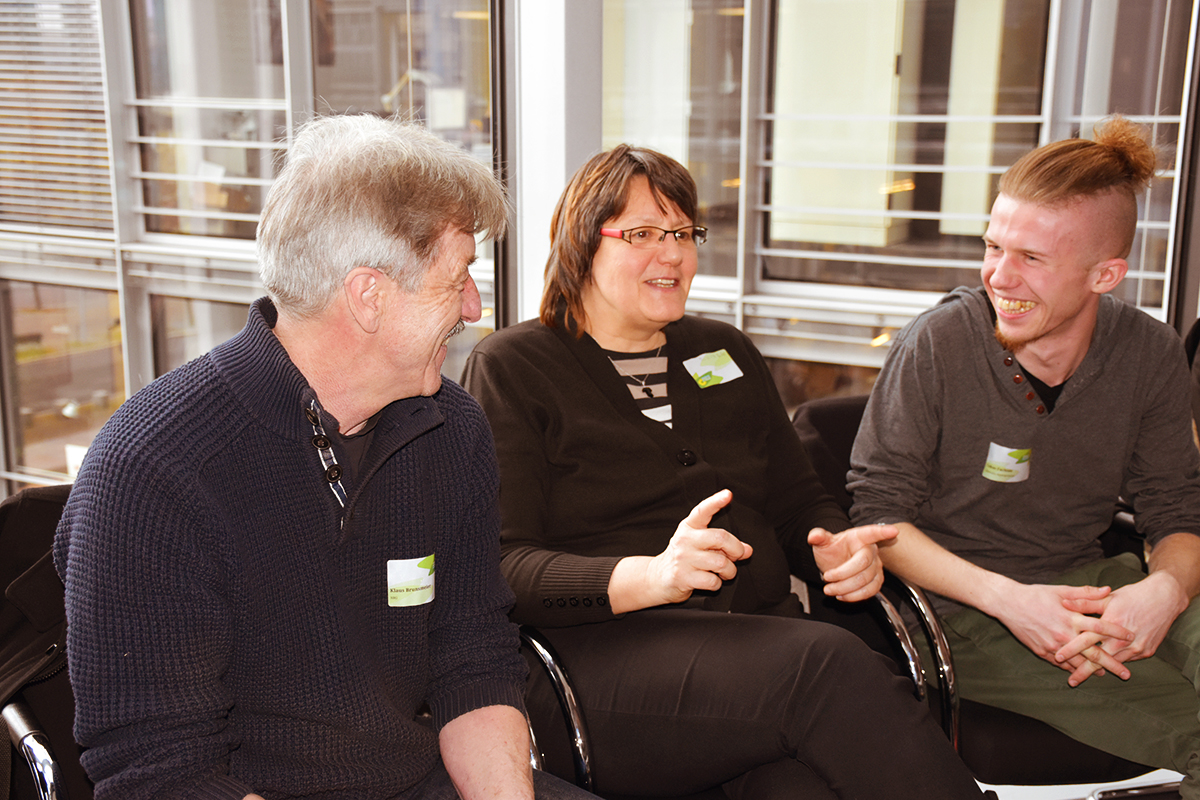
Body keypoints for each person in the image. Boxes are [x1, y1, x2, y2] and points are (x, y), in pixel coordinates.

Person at [53, 115, 596, 800]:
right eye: (456, 278)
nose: (474, 305)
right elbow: (162, 777)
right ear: (368, 296)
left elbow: (474, 658)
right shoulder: (153, 471)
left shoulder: (449, 431)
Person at [462, 144, 986, 799]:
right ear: (581, 242)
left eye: (683, 233)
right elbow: (503, 568)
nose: (673, 253)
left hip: (753, 651)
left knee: (800, 787)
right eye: (644, 233)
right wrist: (651, 576)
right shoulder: (514, 367)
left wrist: (835, 545)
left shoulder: (723, 350)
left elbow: (799, 501)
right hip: (601, 664)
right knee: (827, 662)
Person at [847, 115, 1200, 796]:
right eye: (993, 245)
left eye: (1031, 258)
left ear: (1106, 273)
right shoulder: (939, 345)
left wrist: (1167, 588)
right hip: (962, 609)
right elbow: (879, 522)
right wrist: (1014, 603)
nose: (999, 276)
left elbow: (1177, 508)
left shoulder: (1150, 354)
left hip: (1097, 582)